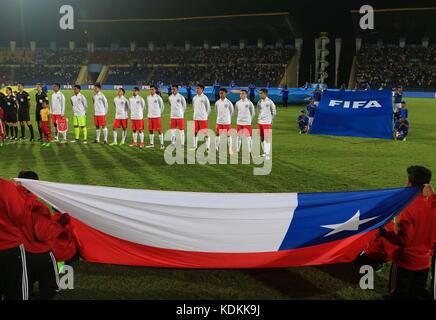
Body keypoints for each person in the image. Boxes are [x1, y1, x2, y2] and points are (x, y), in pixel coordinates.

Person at [379, 166, 436, 299]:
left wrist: (386, 234)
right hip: (424, 262)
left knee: (399, 294)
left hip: (405, 262)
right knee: (417, 294)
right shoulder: (433, 205)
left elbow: (404, 240)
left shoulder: (407, 208)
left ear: (409, 183)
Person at [16, 171, 64, 300]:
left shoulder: (11, 201)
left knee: (24, 290)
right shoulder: (38, 207)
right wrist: (60, 219)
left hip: (19, 254)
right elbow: (43, 234)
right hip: (40, 254)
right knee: (51, 287)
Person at [0, 178, 30, 300]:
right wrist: (18, 192)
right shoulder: (5, 187)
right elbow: (21, 218)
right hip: (9, 248)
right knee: (15, 291)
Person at [257, 88, 276, 160]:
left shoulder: (270, 102)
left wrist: (270, 120)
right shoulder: (259, 102)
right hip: (260, 122)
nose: (260, 94)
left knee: (267, 138)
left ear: (265, 94)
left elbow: (274, 111)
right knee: (262, 138)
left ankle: (267, 154)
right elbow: (259, 110)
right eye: (259, 93)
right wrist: (259, 118)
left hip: (267, 122)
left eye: (261, 93)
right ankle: (264, 153)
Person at [192, 84, 211, 151]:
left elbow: (208, 109)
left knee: (206, 133)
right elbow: (194, 107)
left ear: (202, 89)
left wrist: (205, 116)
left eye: (198, 88)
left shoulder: (205, 98)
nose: (197, 89)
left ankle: (208, 147)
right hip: (195, 118)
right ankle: (195, 146)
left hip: (203, 118)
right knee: (195, 133)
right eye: (196, 88)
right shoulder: (194, 98)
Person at [215, 88, 234, 154]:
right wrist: (219, 118)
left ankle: (230, 148)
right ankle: (216, 147)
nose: (220, 94)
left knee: (228, 135)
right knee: (217, 135)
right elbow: (216, 111)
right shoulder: (217, 102)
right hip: (219, 121)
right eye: (220, 93)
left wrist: (227, 118)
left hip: (226, 122)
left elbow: (232, 111)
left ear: (225, 93)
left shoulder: (229, 102)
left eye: (222, 93)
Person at [235, 89, 255, 154]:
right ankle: (237, 149)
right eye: (240, 93)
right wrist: (238, 119)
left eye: (243, 93)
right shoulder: (237, 103)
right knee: (238, 137)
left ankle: (250, 150)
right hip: (239, 122)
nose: (241, 95)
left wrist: (250, 120)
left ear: (246, 94)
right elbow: (236, 112)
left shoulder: (249, 103)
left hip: (247, 122)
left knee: (248, 137)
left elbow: (253, 113)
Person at [146, 85, 165, 149]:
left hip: (156, 116)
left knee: (159, 130)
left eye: (152, 89)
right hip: (150, 116)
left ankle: (162, 144)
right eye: (150, 89)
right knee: (150, 130)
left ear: (155, 90)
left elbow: (162, 106)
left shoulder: (158, 97)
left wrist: (159, 113)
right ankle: (151, 144)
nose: (151, 91)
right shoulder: (148, 97)